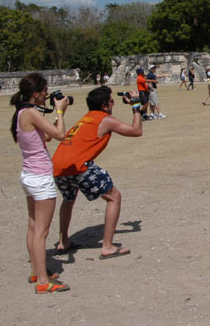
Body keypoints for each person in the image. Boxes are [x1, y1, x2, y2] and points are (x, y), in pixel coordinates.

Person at [51, 86, 142, 259]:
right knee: (114, 196)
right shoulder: (105, 119)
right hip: (78, 166)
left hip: (58, 165)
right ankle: (107, 246)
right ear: (105, 106)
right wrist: (136, 106)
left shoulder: (85, 119)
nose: (113, 103)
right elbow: (136, 131)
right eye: (111, 101)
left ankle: (63, 241)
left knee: (68, 199)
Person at [10, 73, 71, 293]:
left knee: (34, 226)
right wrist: (61, 111)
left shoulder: (21, 113)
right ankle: (43, 281)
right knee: (42, 232)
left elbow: (45, 138)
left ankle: (37, 270)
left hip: (28, 175)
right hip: (40, 177)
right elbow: (61, 135)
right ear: (36, 94)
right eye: (45, 91)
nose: (47, 94)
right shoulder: (32, 112)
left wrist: (54, 121)